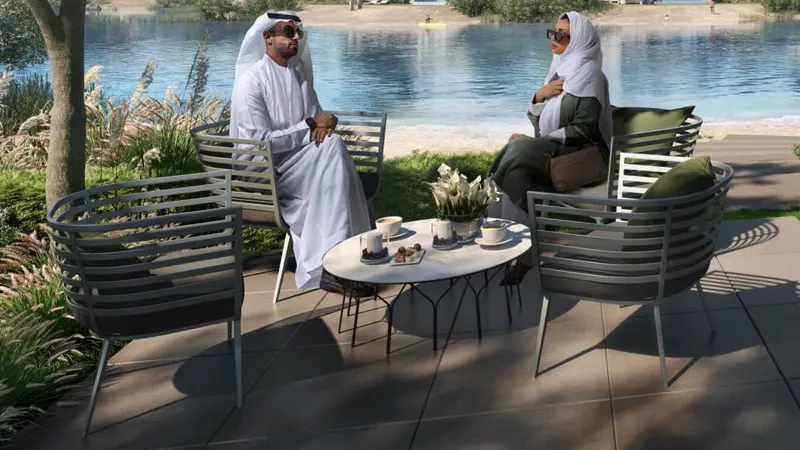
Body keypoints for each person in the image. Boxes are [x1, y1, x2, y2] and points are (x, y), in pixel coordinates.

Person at [229, 10, 374, 296]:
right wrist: (309, 125)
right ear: (267, 37)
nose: (296, 37)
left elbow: (320, 126)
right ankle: (335, 266)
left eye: (299, 33)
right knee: (332, 157)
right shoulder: (251, 82)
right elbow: (261, 142)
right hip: (266, 170)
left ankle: (339, 263)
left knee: (332, 145)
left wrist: (326, 123)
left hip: (300, 162)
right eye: (288, 32)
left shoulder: (299, 78)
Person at [486, 11, 612, 286]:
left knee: (517, 152)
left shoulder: (590, 76)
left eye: (563, 35)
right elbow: (539, 121)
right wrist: (538, 96)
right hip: (560, 152)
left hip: (585, 158)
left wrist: (540, 142)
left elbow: (584, 129)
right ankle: (512, 248)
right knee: (517, 168)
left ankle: (507, 243)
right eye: (553, 32)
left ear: (580, 40)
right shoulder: (560, 72)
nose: (554, 39)